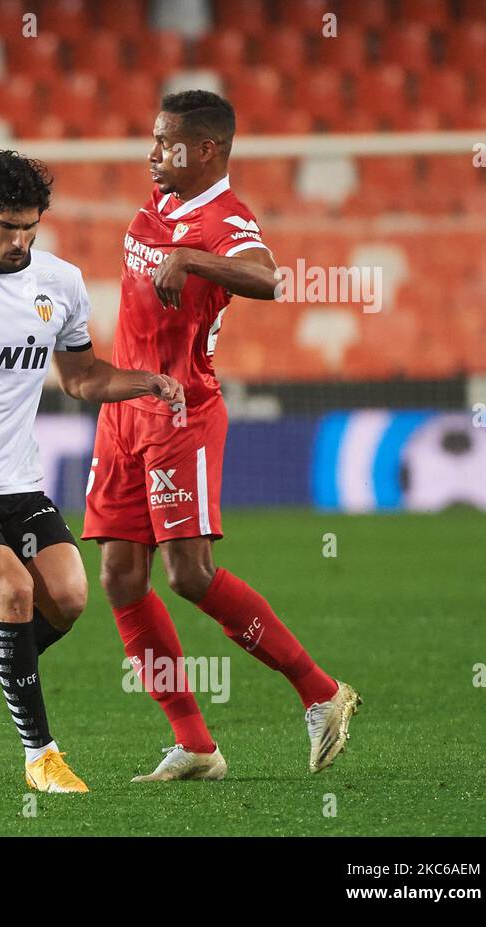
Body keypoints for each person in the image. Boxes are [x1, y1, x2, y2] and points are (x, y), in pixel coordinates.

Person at [0, 150, 182, 792]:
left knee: (68, 600)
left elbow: (79, 377)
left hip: (19, 483)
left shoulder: (60, 282)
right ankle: (40, 757)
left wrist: (143, 383)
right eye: (6, 226)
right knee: (14, 595)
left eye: (29, 227)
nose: (19, 241)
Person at [82, 91, 361, 781]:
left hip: (180, 412)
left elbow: (269, 277)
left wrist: (195, 261)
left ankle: (320, 691)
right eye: (152, 139)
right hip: (124, 406)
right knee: (119, 576)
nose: (153, 152)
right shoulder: (157, 202)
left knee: (188, 573)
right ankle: (196, 745)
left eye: (166, 142)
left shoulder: (225, 219)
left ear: (207, 149)